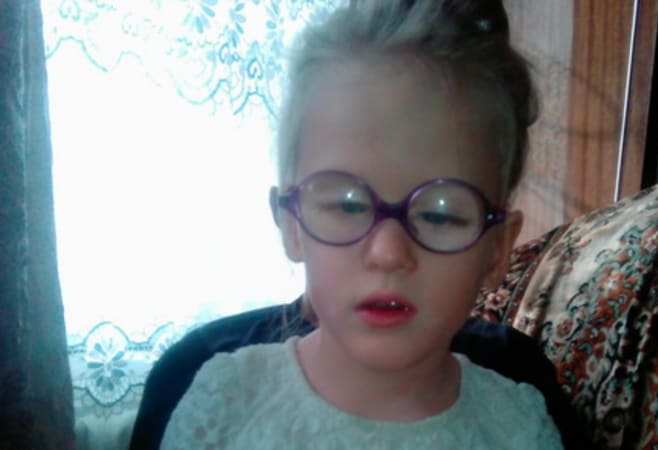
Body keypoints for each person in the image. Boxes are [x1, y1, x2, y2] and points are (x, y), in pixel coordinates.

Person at [159, 0, 567, 448]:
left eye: (439, 213)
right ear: (291, 224)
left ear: (497, 249)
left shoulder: (520, 427)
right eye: (347, 205)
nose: (388, 252)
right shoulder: (224, 405)